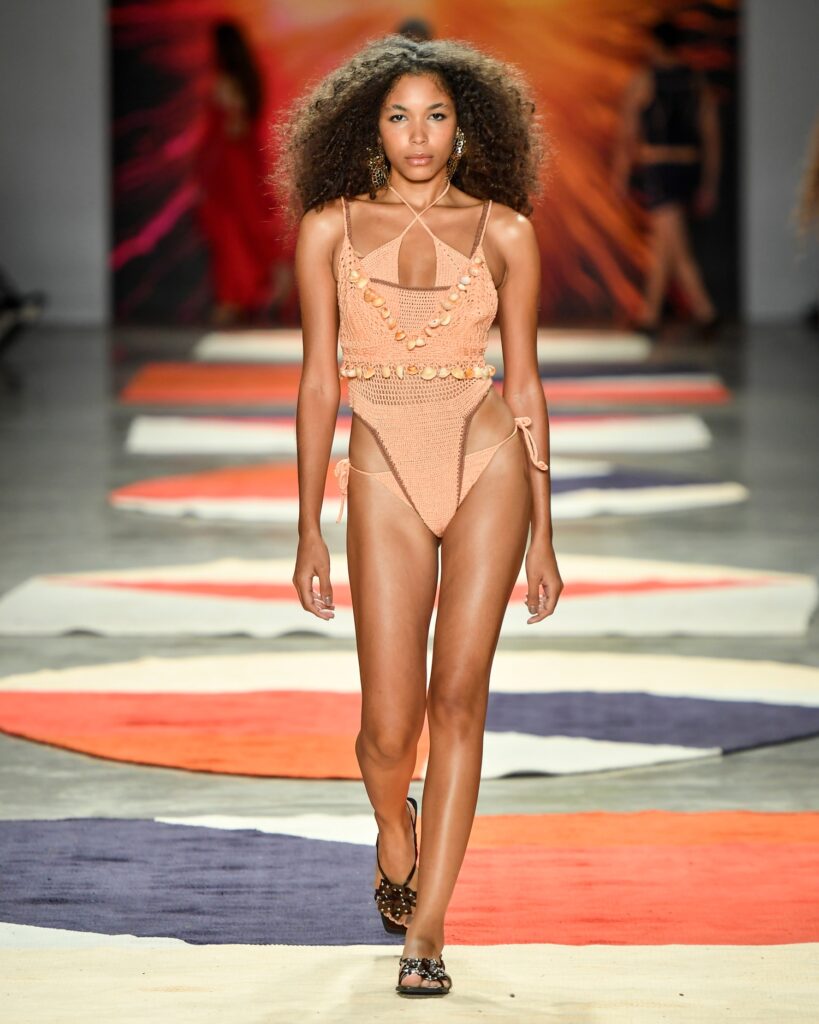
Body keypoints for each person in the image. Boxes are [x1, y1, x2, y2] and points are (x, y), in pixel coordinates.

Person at [274, 34, 563, 997]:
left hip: (488, 463)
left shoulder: (505, 231)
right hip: (382, 466)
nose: (418, 134)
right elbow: (318, 382)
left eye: (436, 115)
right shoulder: (327, 229)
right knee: (386, 734)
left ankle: (426, 931)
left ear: (464, 127)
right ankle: (393, 831)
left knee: (459, 701)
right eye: (399, 116)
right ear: (370, 128)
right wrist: (307, 527)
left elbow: (524, 385)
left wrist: (546, 533)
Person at [612, 18, 721, 338]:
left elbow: (627, 134)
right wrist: (709, 183)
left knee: (673, 245)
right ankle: (651, 317)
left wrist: (620, 175)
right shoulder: (696, 82)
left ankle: (705, 312)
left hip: (659, 169)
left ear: (655, 44)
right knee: (666, 244)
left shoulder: (644, 81)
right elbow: (712, 138)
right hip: (688, 169)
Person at [195, 20, 286, 325]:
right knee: (241, 229)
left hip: (231, 169)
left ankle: (236, 297)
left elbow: (233, 128)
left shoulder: (227, 83)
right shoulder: (245, 79)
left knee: (232, 231)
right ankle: (242, 295)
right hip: (237, 166)